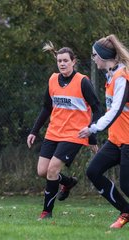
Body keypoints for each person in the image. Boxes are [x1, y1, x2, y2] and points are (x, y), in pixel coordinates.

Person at [27, 42, 101, 220]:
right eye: (59, 60)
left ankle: (46, 212)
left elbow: (97, 109)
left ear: (73, 61)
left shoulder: (82, 81)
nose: (62, 64)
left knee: (52, 170)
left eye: (65, 60)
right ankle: (67, 182)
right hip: (53, 132)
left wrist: (91, 137)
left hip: (74, 135)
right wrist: (34, 131)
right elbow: (46, 108)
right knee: (42, 171)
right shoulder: (53, 79)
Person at [79, 34, 129, 229]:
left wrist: (93, 128)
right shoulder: (112, 75)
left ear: (103, 56)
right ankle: (125, 210)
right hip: (116, 140)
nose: (93, 59)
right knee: (93, 171)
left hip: (128, 142)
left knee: (126, 185)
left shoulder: (122, 77)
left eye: (94, 55)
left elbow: (116, 111)